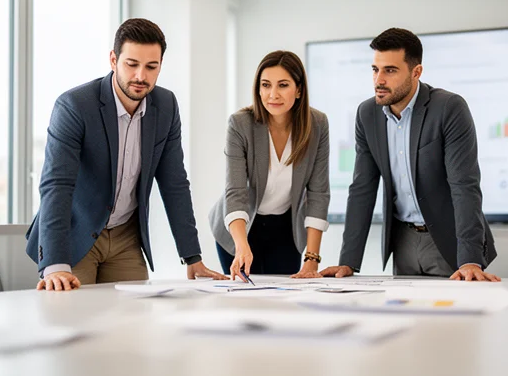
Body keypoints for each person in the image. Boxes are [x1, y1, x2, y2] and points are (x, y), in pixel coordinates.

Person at [26, 18, 226, 290]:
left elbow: (174, 183)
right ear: (113, 59)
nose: (141, 76)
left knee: (133, 322)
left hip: (125, 238)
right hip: (75, 234)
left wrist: (192, 257)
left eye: (151, 67)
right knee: (72, 318)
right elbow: (56, 185)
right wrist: (55, 265)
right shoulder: (75, 106)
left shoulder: (166, 106)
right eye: (132, 64)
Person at [320, 27, 500, 281]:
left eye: (390, 70)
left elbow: (464, 185)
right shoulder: (367, 114)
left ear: (416, 72)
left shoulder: (449, 108)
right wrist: (348, 261)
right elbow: (362, 188)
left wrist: (470, 258)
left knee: (453, 318)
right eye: (375, 69)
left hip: (449, 241)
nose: (379, 80)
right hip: (402, 240)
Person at [209, 51, 330, 280]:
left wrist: (312, 259)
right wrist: (242, 245)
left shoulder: (317, 125)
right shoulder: (240, 124)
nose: (273, 94)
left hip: (286, 228)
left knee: (286, 301)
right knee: (244, 299)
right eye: (265, 85)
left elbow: (318, 193)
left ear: (299, 90)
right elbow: (235, 190)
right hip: (240, 227)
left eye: (283, 85)